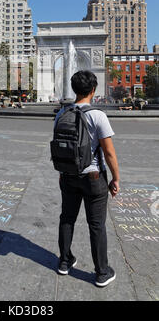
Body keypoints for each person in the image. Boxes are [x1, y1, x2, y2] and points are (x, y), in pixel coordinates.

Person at [54, 70, 120, 287]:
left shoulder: (61, 113)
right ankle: (102, 272)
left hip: (68, 175)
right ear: (93, 90)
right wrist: (115, 178)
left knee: (67, 218)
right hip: (93, 178)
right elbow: (109, 153)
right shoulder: (97, 115)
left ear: (74, 89)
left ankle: (64, 261)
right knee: (96, 225)